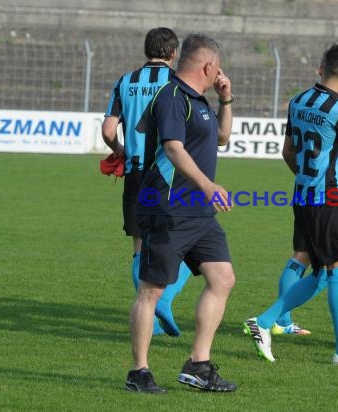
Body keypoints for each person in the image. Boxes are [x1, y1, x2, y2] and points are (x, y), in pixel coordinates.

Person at [244, 43, 338, 367]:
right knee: (337, 268)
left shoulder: (298, 101)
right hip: (329, 198)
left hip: (304, 195)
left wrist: (310, 179)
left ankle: (266, 321)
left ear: (324, 66)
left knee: (327, 269)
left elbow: (288, 152)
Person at [125, 33, 237, 393]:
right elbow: (172, 149)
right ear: (207, 65)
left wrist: (226, 100)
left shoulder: (199, 100)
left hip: (199, 214)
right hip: (168, 208)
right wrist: (208, 185)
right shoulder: (172, 96)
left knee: (222, 279)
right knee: (151, 291)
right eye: (217, 68)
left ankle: (198, 365)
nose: (218, 73)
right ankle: (138, 372)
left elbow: (221, 137)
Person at [102, 27, 191, 337]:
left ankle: (149, 317)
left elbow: (108, 131)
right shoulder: (177, 83)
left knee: (140, 247)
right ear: (174, 52)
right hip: (168, 174)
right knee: (191, 242)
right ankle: (161, 302)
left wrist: (121, 153)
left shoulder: (124, 82)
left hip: (136, 173)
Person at [271, 149, 338, 337]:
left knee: (301, 255)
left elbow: (287, 151)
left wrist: (306, 178)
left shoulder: (297, 116)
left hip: (304, 189)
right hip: (331, 195)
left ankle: (281, 322)